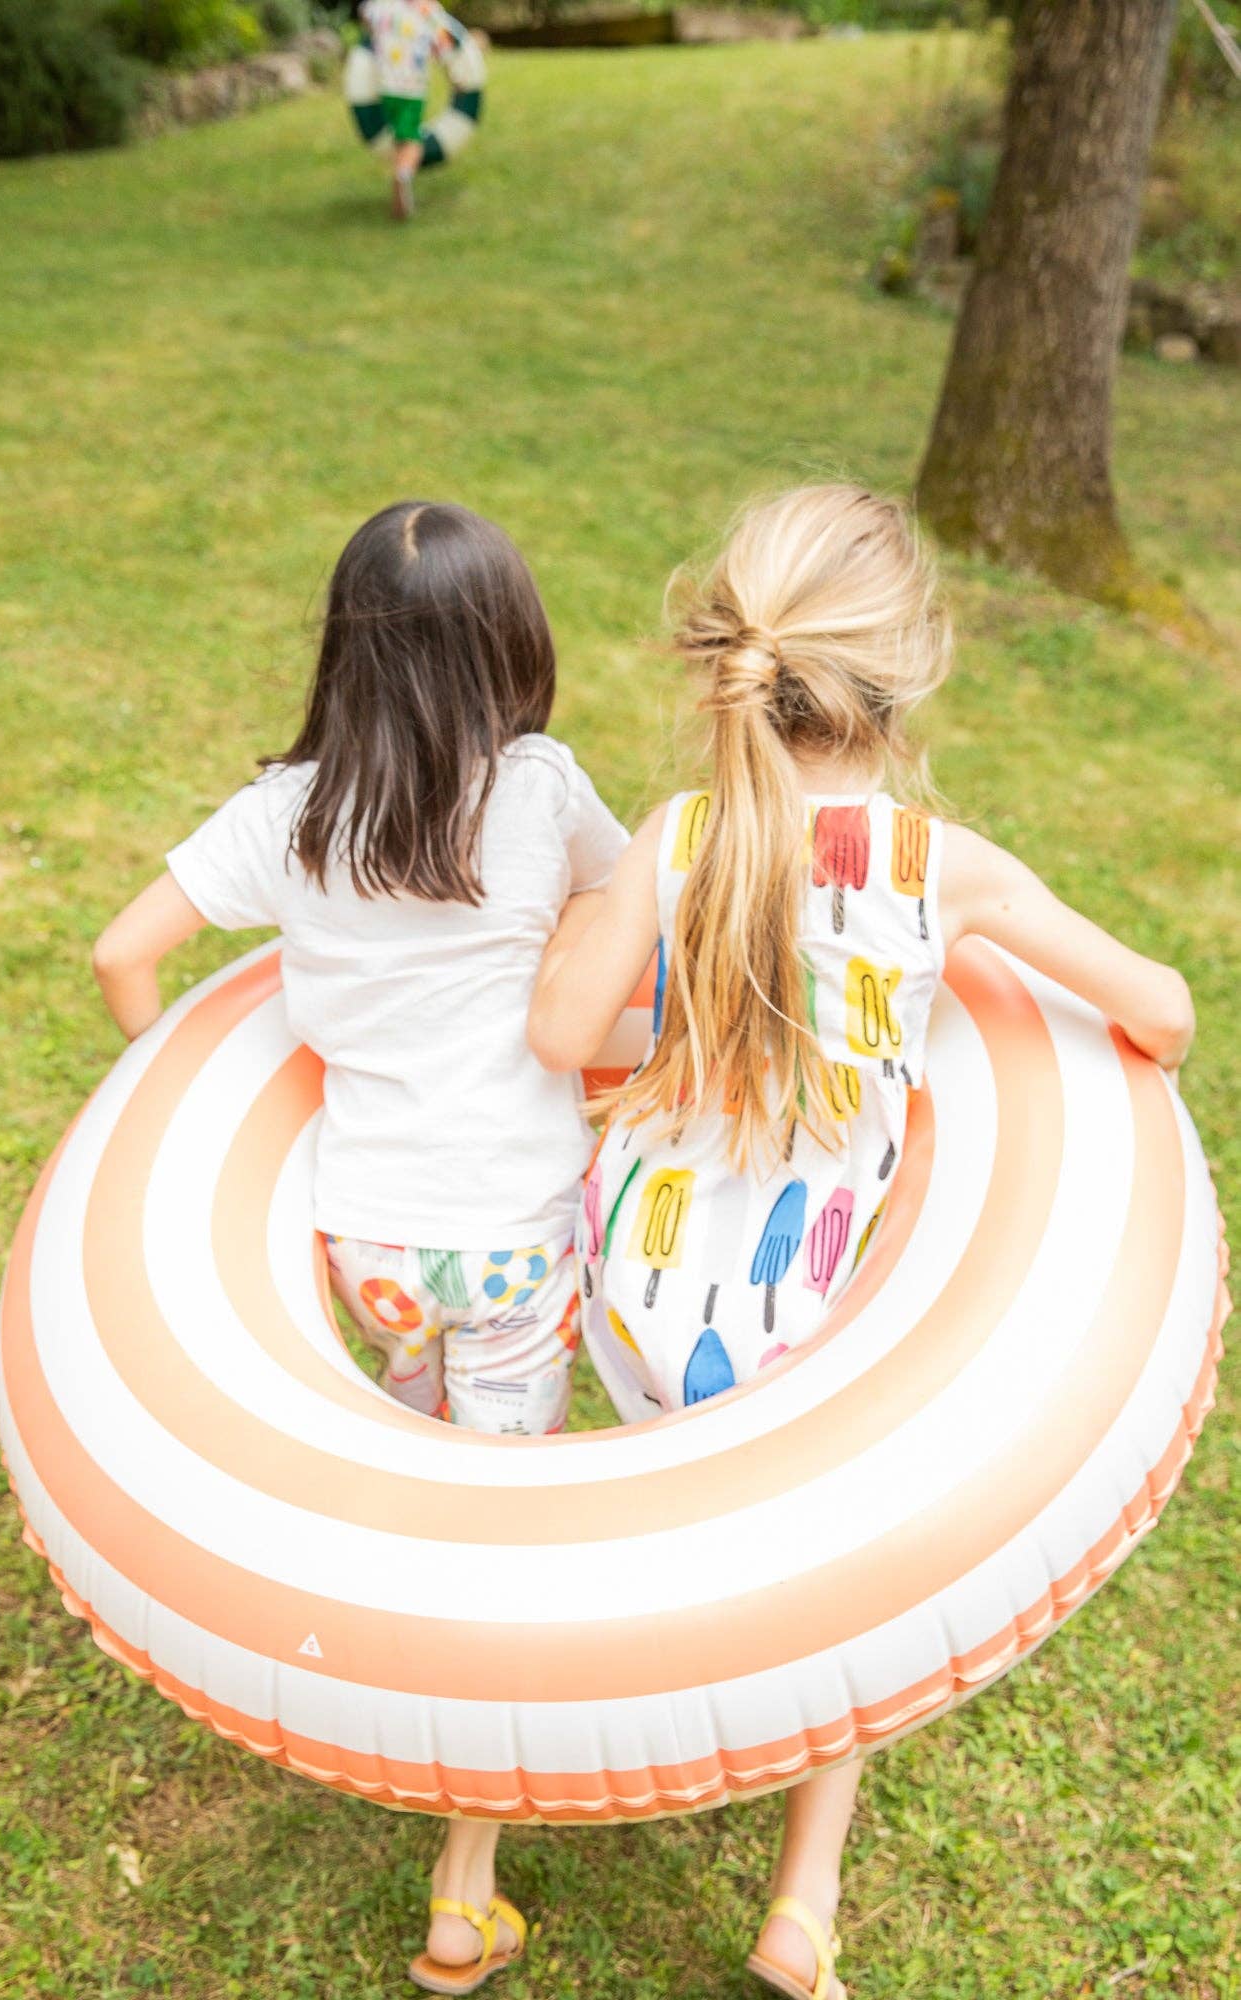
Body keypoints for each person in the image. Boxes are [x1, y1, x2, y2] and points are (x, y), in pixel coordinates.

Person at [526, 484, 1195, 2000]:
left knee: (685, 1478)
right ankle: (801, 1902)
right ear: (899, 684)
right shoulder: (933, 869)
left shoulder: (677, 832)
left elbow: (564, 1028)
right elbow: (1159, 1006)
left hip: (632, 1284)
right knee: (857, 1579)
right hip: (801, 1312)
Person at [91, 498, 627, 1996]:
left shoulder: (287, 817)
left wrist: (163, 1115)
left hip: (366, 1244)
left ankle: (379, 1695)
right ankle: (463, 1892)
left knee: (404, 1477)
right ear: (510, 649)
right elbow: (623, 890)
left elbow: (121, 952)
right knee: (493, 1540)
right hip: (514, 1241)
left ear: (345, 656)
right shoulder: (536, 789)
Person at [359, 0, 470, 219]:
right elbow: (443, 45)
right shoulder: (428, 10)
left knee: (401, 136)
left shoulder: (381, 6)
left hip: (386, 86)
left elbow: (365, 15)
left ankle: (400, 182)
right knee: (412, 140)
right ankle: (403, 176)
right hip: (412, 87)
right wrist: (456, 78)